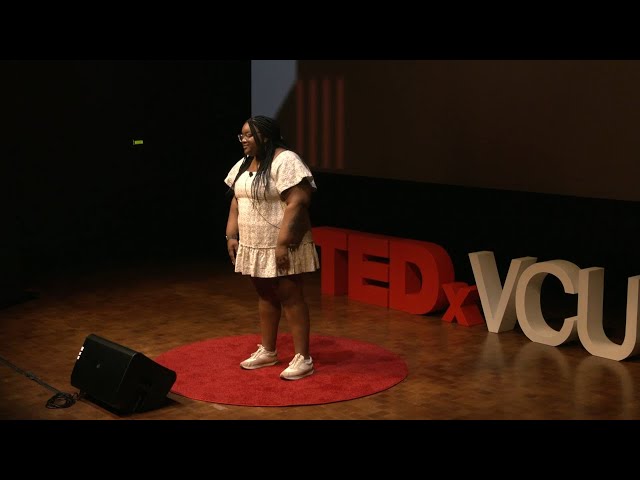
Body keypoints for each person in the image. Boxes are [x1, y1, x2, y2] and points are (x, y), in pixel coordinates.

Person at [224, 115, 320, 380]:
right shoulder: (245, 163)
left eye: (249, 135)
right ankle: (268, 350)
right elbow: (236, 200)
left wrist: (283, 243)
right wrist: (231, 235)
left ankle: (303, 358)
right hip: (255, 242)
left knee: (290, 295)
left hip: (282, 242)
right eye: (241, 135)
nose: (243, 140)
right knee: (265, 294)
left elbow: (298, 201)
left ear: (265, 136)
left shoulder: (285, 160)